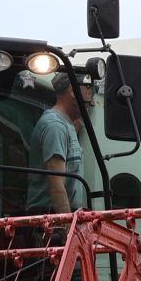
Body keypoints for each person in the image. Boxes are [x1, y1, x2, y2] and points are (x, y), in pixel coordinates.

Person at [26, 71, 87, 216]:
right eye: (89, 88)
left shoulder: (68, 124)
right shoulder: (55, 126)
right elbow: (56, 185)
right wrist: (65, 227)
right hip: (50, 219)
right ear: (73, 91)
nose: (91, 96)